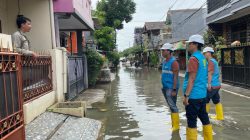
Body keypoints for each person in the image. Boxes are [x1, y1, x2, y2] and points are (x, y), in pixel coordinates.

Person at [183, 35, 213, 140]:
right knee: (205, 118)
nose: (188, 45)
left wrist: (186, 96)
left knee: (191, 122)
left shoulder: (193, 59)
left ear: (195, 44)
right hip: (202, 95)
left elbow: (191, 79)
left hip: (193, 96)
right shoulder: (203, 58)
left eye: (190, 43)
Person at [160, 43, 180, 131]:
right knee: (171, 105)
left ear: (169, 51)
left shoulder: (174, 62)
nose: (162, 52)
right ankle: (173, 121)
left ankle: (176, 126)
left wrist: (174, 89)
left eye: (163, 50)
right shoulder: (164, 61)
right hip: (165, 87)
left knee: (173, 106)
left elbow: (175, 76)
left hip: (171, 88)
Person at [203, 47, 224, 120]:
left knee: (205, 101)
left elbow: (210, 73)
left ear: (209, 53)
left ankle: (204, 118)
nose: (204, 54)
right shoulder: (214, 61)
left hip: (212, 85)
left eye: (205, 53)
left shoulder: (211, 61)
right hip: (216, 85)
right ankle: (220, 117)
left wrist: (208, 84)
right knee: (216, 100)